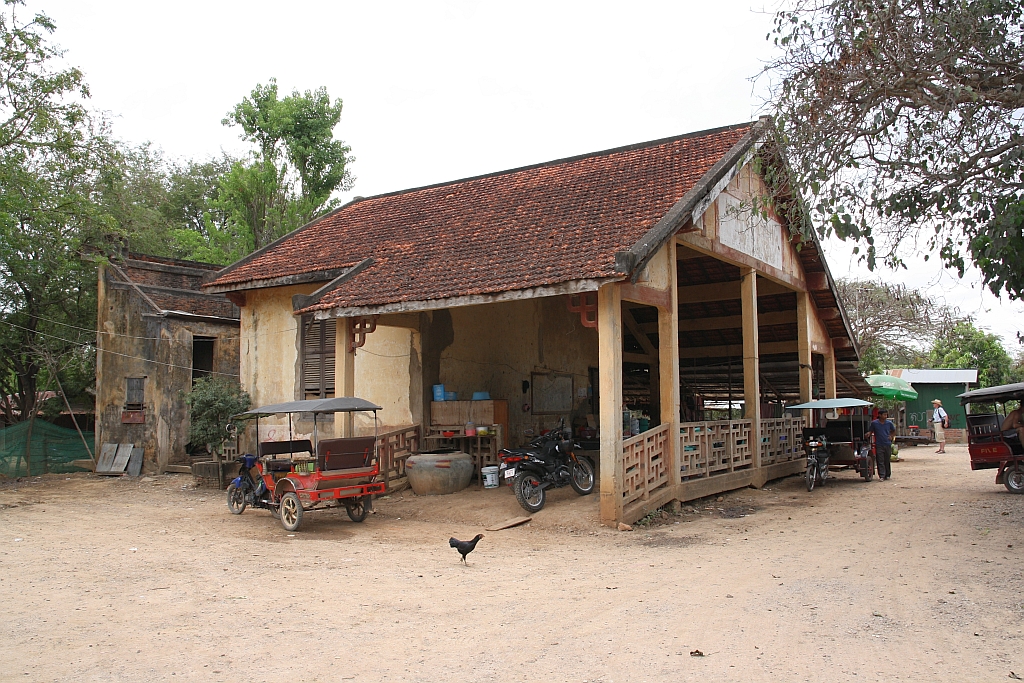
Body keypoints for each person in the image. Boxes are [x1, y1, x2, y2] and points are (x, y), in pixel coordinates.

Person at [870, 408, 897, 481]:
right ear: (879, 415)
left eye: (886, 415)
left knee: (887, 460)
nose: (886, 416)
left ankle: (887, 474)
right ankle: (882, 475)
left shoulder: (889, 423)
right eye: (884, 415)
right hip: (879, 444)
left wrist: (891, 436)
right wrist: (868, 434)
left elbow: (893, 430)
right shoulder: (874, 423)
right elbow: (871, 430)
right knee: (880, 460)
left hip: (887, 443)